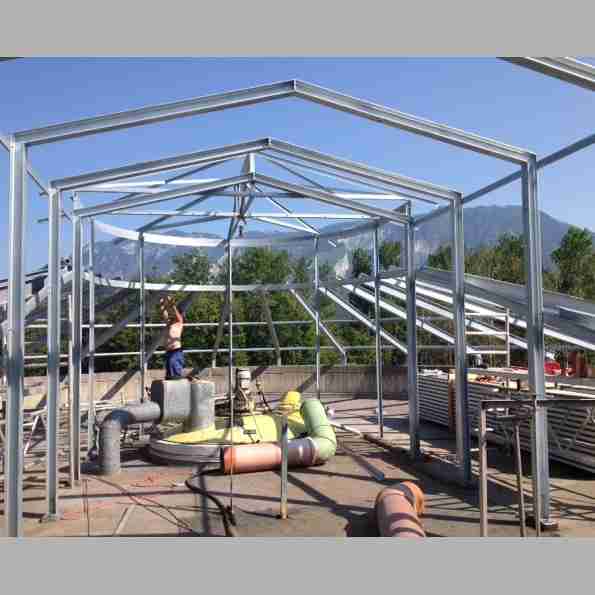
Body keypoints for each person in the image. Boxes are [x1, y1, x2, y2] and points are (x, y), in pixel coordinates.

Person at [160, 297, 185, 379]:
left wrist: (172, 303)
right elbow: (164, 314)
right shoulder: (170, 323)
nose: (172, 315)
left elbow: (176, 313)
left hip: (176, 351)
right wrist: (162, 304)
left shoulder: (179, 322)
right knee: (169, 375)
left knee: (175, 374)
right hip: (169, 351)